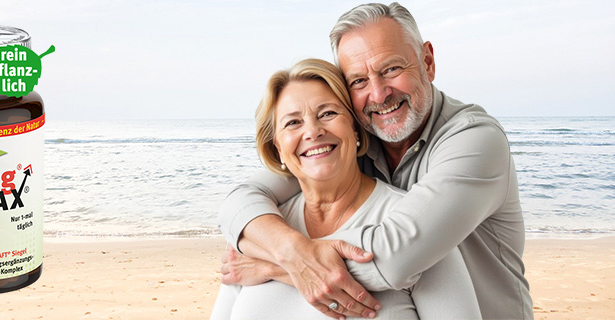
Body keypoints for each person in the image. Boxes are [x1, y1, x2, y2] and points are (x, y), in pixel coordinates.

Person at [218, 2, 533, 319]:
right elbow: (241, 201)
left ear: (427, 61)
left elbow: (397, 256)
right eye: (359, 81)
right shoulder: (356, 142)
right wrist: (288, 249)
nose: (379, 94)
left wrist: (276, 264)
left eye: (391, 69)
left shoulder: (475, 140)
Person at [210, 58, 480, 320]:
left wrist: (274, 268)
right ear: (277, 147)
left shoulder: (415, 224)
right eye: (293, 122)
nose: (312, 131)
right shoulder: (258, 231)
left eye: (327, 113)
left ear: (355, 129)